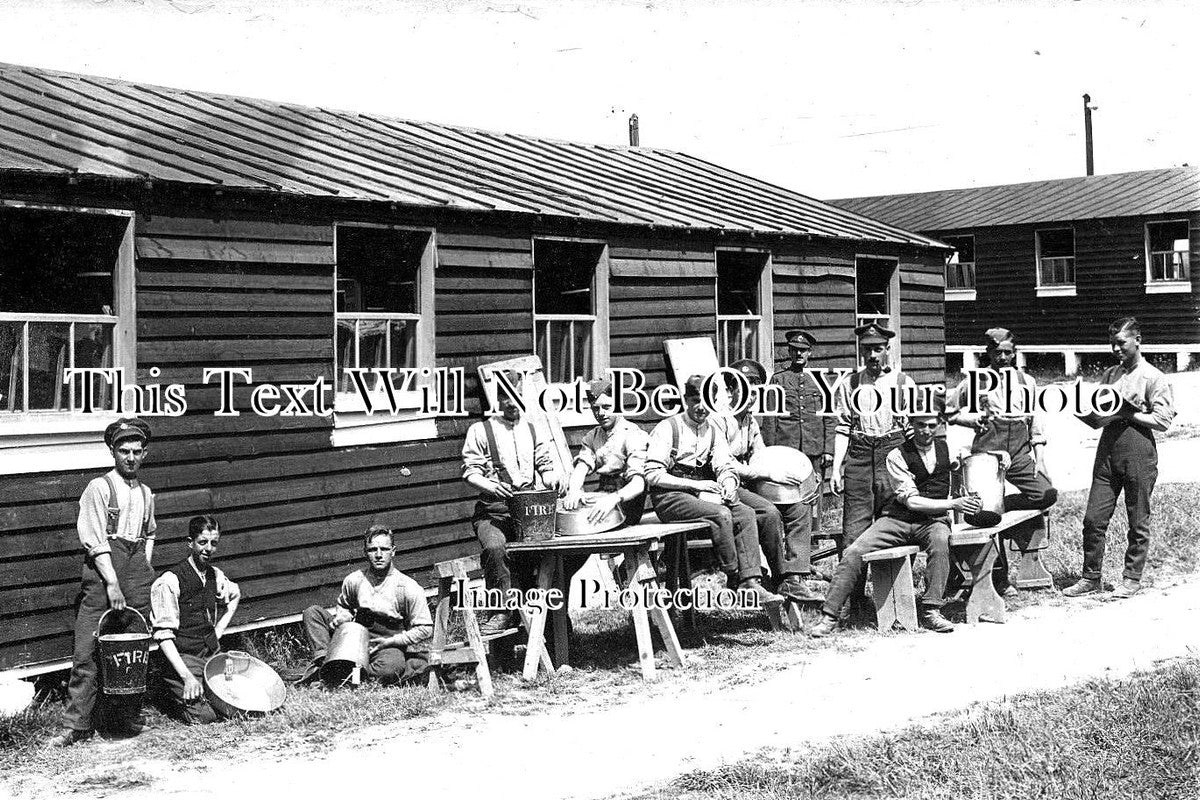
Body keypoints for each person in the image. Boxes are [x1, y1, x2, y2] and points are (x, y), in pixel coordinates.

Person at [811, 398, 984, 637]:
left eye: (931, 425)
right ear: (911, 424)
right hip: (898, 519)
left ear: (939, 425)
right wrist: (953, 503)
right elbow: (911, 501)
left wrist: (996, 458)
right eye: (920, 425)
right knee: (854, 551)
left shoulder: (949, 449)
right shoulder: (896, 455)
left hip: (932, 523)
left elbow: (972, 460)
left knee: (941, 542)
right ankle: (829, 615)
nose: (926, 431)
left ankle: (932, 609)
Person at [48, 418, 158, 748]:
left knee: (131, 649)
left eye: (137, 452)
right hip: (102, 576)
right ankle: (77, 724)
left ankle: (123, 717)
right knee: (88, 650)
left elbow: (149, 533)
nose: (130, 457)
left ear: (144, 454)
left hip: (135, 573)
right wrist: (112, 581)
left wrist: (144, 565)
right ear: (112, 451)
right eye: (123, 451)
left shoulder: (146, 493)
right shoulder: (99, 488)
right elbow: (94, 539)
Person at [645, 374, 782, 608]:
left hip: (701, 491)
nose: (701, 407)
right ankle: (733, 575)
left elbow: (723, 464)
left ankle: (751, 581)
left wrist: (728, 482)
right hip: (670, 495)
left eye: (707, 402)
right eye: (696, 400)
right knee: (721, 514)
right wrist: (694, 485)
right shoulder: (669, 427)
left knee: (746, 513)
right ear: (685, 400)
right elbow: (652, 474)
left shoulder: (713, 429)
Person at [1063, 317, 1175, 599]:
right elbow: (1102, 412)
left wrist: (1129, 413)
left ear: (1137, 340)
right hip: (1107, 449)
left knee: (1137, 519)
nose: (1116, 349)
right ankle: (1090, 577)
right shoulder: (1111, 374)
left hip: (1138, 450)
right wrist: (1087, 414)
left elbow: (1163, 421)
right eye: (1112, 343)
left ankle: (1132, 578)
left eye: (1121, 343)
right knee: (1093, 518)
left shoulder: (1154, 377)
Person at [947, 327, 1058, 595]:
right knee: (985, 518)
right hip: (987, 451)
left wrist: (1040, 459)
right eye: (998, 353)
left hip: (1019, 451)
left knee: (1046, 494)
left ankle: (1003, 505)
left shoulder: (1027, 382)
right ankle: (999, 579)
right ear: (988, 353)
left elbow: (1036, 424)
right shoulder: (975, 381)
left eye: (1008, 353)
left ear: (1014, 353)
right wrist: (970, 420)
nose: (1003, 358)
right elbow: (948, 411)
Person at [712, 359, 823, 602]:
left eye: (756, 386)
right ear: (730, 390)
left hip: (746, 482)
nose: (751, 393)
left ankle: (794, 575)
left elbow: (762, 457)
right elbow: (725, 464)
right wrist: (768, 475)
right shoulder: (718, 419)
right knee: (769, 512)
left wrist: (803, 481)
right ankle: (777, 576)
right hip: (720, 485)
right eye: (745, 385)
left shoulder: (749, 420)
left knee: (800, 505)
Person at [461, 369, 562, 634]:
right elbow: (470, 472)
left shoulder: (532, 429)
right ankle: (502, 611)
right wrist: (492, 485)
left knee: (549, 556)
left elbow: (545, 464)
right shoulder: (480, 430)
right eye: (505, 397)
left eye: (515, 397)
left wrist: (552, 479)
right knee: (495, 549)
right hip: (493, 512)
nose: (511, 403)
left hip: (528, 511)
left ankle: (551, 622)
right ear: (497, 398)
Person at [301, 526, 433, 684]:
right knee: (312, 613)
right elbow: (344, 605)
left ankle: (344, 674)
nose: (378, 555)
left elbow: (425, 628)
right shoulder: (355, 580)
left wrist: (394, 641)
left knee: (391, 668)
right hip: (352, 637)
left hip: (385, 644)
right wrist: (343, 616)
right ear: (365, 552)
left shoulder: (408, 587)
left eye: (384, 549)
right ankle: (325, 662)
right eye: (372, 550)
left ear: (393, 551)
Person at [831, 323, 916, 550]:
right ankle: (853, 586)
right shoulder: (850, 383)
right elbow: (843, 427)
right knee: (854, 529)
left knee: (893, 525)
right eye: (867, 350)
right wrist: (836, 468)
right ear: (861, 351)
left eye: (877, 349)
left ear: (887, 349)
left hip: (892, 454)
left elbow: (911, 431)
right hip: (859, 457)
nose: (872, 355)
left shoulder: (903, 383)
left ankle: (895, 586)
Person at [149, 516, 240, 724]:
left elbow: (235, 595)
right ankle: (173, 693)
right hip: (184, 657)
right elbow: (163, 637)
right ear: (190, 543)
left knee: (234, 701)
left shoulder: (214, 575)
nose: (208, 548)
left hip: (209, 653)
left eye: (214, 543)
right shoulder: (170, 581)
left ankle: (206, 690)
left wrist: (216, 633)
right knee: (207, 716)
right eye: (202, 542)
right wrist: (187, 677)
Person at [561, 377, 649, 526]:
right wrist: (574, 489)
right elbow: (581, 467)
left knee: (587, 523)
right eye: (596, 408)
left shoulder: (633, 434)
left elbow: (638, 484)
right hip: (604, 495)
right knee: (571, 517)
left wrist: (613, 498)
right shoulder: (593, 436)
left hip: (626, 501)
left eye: (607, 407)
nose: (601, 413)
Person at [760, 329, 835, 492]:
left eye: (803, 350)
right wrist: (770, 451)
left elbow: (829, 418)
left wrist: (829, 449)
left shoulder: (820, 380)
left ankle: (815, 519)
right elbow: (770, 419)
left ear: (810, 352)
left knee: (814, 492)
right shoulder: (778, 379)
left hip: (814, 447)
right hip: (786, 448)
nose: (799, 353)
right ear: (789, 352)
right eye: (794, 350)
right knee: (788, 492)